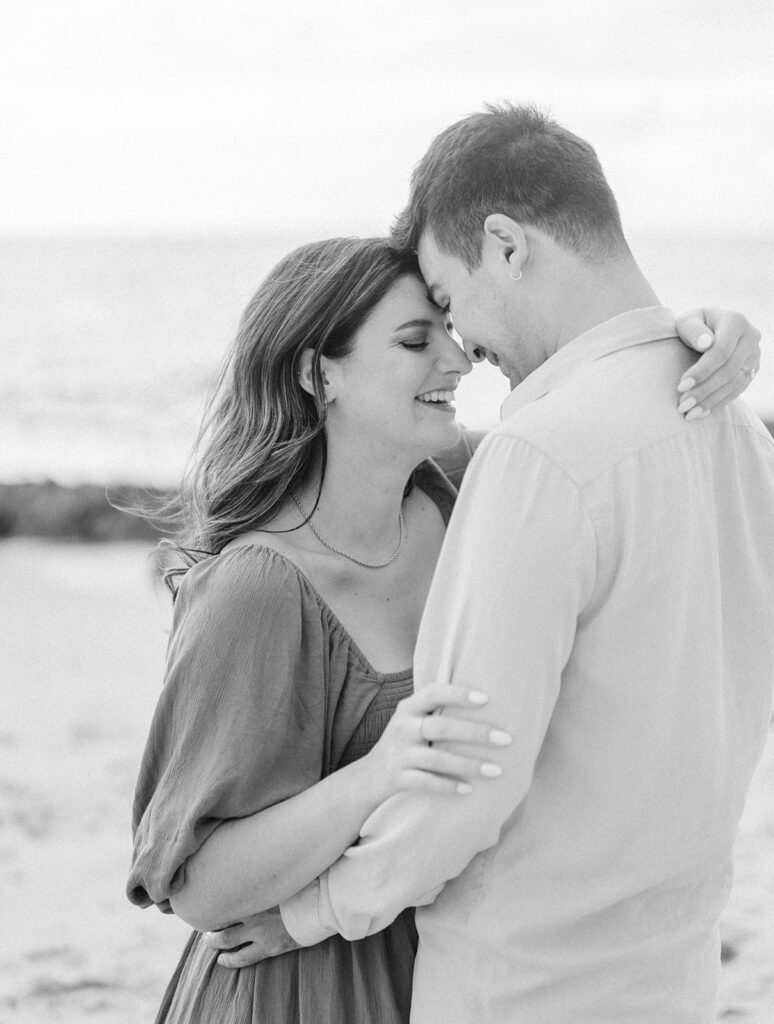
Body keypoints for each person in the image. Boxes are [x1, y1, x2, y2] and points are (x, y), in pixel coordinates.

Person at [127, 229, 762, 1023]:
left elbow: (607, 434)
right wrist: (377, 774)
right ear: (316, 372)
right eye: (414, 340)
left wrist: (701, 337)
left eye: (452, 334)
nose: (460, 364)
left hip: (443, 966)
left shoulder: (465, 494)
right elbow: (197, 885)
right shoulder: (255, 590)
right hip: (297, 985)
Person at [254, 106, 774, 1024]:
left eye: (449, 304)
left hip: (523, 989)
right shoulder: (742, 434)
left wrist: (311, 910)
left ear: (505, 244)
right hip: (676, 985)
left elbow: (466, 772)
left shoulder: (540, 454)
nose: (468, 354)